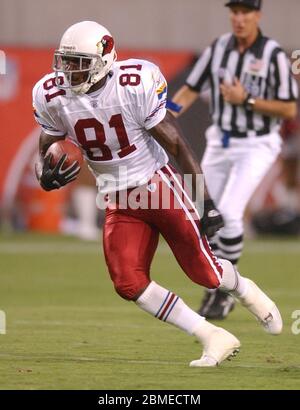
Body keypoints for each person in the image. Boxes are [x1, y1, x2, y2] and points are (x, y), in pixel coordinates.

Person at [33, 20, 282, 367]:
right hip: (118, 198)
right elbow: (44, 149)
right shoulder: (52, 94)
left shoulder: (132, 84)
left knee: (205, 273)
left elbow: (177, 144)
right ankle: (212, 335)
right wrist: (44, 176)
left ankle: (246, 290)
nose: (69, 71)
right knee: (128, 282)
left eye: (79, 63)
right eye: (66, 61)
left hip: (156, 184)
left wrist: (204, 201)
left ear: (104, 59)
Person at [169, 0, 298, 319]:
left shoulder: (273, 55)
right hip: (220, 139)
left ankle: (226, 290)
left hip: (256, 143)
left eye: (245, 12)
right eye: (235, 11)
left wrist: (248, 100)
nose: (239, 18)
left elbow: (289, 108)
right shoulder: (218, 49)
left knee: (228, 212)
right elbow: (190, 89)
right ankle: (217, 283)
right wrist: (163, 117)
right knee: (203, 213)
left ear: (258, 15)